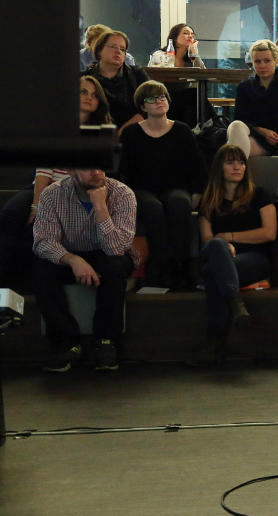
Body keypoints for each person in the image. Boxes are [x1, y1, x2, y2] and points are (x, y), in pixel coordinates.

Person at [0, 81, 110, 286]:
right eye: (83, 92)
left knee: (33, 228)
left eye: (95, 95)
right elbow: (44, 169)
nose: (89, 97)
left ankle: (17, 279)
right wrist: (36, 205)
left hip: (77, 189)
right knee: (11, 214)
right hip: (45, 184)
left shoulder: (101, 132)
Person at [32, 168, 140, 372]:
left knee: (113, 267)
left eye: (99, 166)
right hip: (70, 253)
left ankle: (106, 341)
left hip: (108, 255)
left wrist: (100, 206)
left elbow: (116, 249)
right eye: (87, 168)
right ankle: (66, 344)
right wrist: (74, 260)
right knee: (41, 271)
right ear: (71, 171)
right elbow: (43, 242)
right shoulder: (52, 193)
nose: (96, 172)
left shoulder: (122, 193)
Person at [118, 81, 208, 288]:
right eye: (151, 98)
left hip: (176, 188)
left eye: (162, 97)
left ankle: (181, 265)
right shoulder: (131, 133)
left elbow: (199, 167)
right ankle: (160, 265)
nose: (159, 101)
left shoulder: (182, 130)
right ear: (142, 106)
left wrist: (197, 192)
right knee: (153, 208)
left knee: (179, 203)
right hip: (141, 190)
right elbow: (122, 170)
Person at [198, 145, 277, 336]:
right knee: (216, 245)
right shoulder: (208, 201)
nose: (237, 167)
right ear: (219, 168)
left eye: (241, 162)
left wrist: (230, 236)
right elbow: (207, 239)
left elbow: (269, 233)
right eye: (230, 162)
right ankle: (236, 303)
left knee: (211, 273)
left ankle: (215, 339)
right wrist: (224, 245)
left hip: (254, 259)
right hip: (221, 256)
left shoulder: (260, 194)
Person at [227, 39, 278, 157]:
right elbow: (240, 118)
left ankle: (234, 167)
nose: (262, 66)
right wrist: (262, 131)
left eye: (267, 61)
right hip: (252, 134)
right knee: (235, 126)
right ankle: (237, 166)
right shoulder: (245, 86)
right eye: (257, 61)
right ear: (253, 63)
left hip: (276, 140)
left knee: (231, 149)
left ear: (276, 62)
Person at [81, 29, 150, 133]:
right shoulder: (85, 77)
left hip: (132, 133)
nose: (118, 51)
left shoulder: (136, 75)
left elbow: (149, 106)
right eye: (112, 46)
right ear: (99, 51)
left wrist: (120, 133)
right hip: (94, 134)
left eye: (122, 49)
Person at [150, 23, 214, 130]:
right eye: (185, 33)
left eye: (192, 34)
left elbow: (202, 73)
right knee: (194, 96)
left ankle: (200, 131)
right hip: (164, 97)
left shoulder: (190, 58)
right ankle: (216, 127)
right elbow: (154, 76)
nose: (190, 36)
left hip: (185, 101)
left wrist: (194, 52)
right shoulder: (161, 55)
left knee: (194, 99)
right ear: (175, 38)